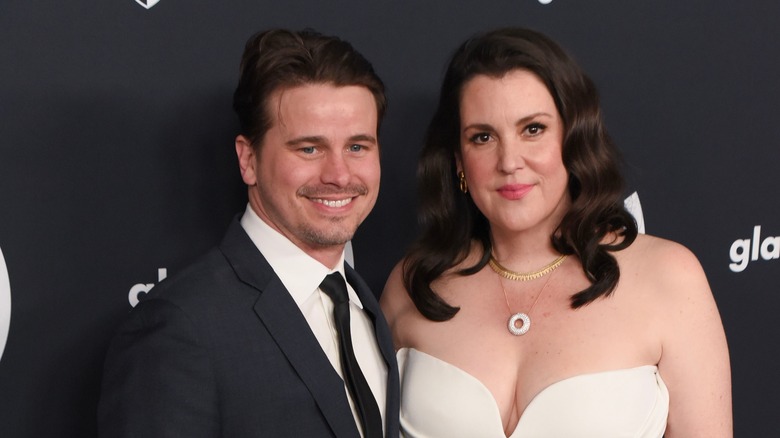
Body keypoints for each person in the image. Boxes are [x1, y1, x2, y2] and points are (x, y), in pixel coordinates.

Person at [381, 27, 731, 437]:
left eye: (533, 129)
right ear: (459, 161)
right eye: (483, 137)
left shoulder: (668, 277)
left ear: (573, 137)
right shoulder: (413, 285)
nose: (509, 161)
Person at [99, 28, 399, 438]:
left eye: (358, 147)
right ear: (248, 160)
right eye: (309, 149)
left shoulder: (363, 303)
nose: (339, 175)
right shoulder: (181, 328)